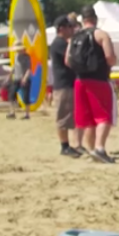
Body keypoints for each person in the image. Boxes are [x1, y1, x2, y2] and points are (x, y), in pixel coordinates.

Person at [66, 5, 118, 164]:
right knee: (103, 116)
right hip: (99, 79)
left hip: (80, 81)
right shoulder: (101, 35)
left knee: (87, 119)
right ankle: (100, 148)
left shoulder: (74, 37)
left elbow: (67, 61)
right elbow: (110, 58)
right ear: (95, 19)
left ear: (83, 20)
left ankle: (91, 150)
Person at [50, 16, 82, 158]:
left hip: (68, 84)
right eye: (69, 27)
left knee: (71, 116)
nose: (72, 29)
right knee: (62, 116)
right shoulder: (59, 43)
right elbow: (72, 58)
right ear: (61, 28)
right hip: (63, 85)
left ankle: (71, 145)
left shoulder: (62, 42)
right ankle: (64, 146)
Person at [6, 48, 32, 120]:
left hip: (25, 79)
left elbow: (29, 69)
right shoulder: (16, 55)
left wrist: (25, 78)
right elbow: (14, 66)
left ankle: (27, 114)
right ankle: (12, 112)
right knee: (11, 95)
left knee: (26, 97)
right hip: (16, 78)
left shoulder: (27, 57)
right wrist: (10, 75)